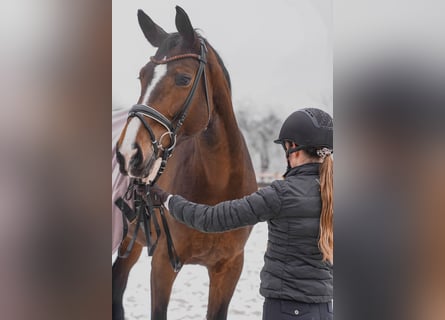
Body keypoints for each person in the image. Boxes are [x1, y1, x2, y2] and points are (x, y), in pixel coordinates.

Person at [151, 108, 334, 320]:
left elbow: (210, 219)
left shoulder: (281, 194)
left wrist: (167, 199)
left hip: (286, 310)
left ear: (293, 147)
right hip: (324, 310)